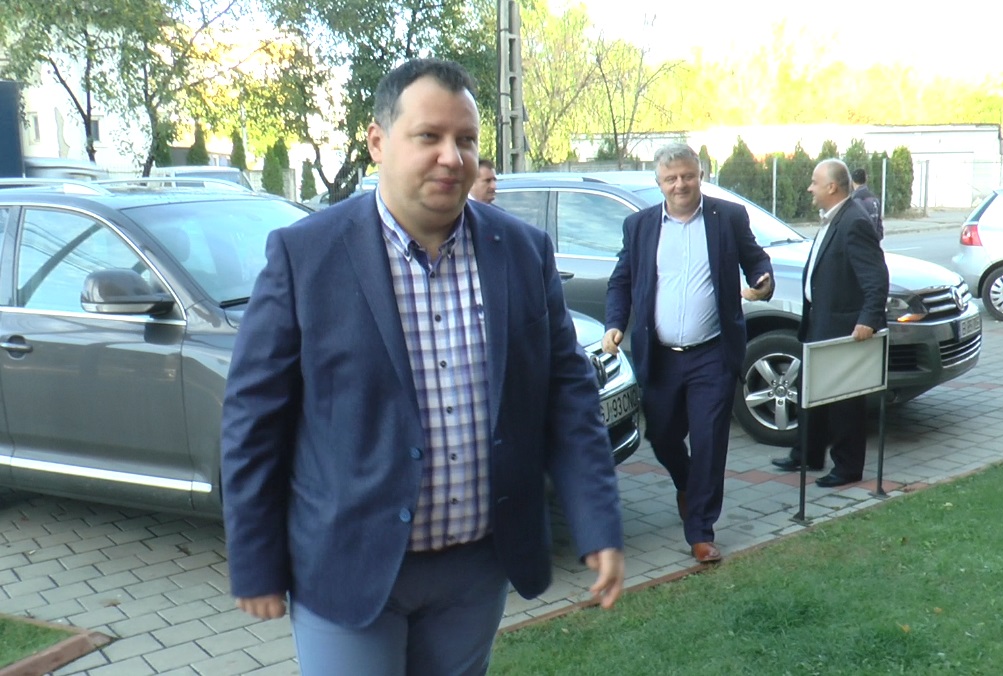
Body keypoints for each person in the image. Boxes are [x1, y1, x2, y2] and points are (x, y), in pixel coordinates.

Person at [220, 58, 625, 675]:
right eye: (429, 136)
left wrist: (597, 524)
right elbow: (253, 418)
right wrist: (255, 561)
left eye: (466, 139)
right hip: (348, 567)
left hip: (476, 569)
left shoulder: (522, 251)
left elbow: (568, 398)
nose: (452, 157)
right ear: (378, 142)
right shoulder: (306, 255)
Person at [603, 143, 773, 564]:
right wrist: (615, 323)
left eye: (687, 175)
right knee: (661, 435)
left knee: (709, 440)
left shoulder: (727, 217)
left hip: (712, 353)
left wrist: (763, 280)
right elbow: (621, 281)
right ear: (658, 183)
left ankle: (700, 531)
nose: (680, 184)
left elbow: (755, 260)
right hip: (661, 357)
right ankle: (686, 482)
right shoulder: (639, 226)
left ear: (700, 175)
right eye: (671, 178)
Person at [771, 159, 889, 488]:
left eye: (814, 182)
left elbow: (876, 277)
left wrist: (868, 319)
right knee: (810, 391)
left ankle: (848, 467)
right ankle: (806, 453)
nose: (809, 188)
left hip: (843, 328)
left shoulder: (854, 221)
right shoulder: (834, 217)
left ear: (832, 187)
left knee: (843, 402)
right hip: (820, 321)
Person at [851, 167, 884, 240]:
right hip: (873, 241)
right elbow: (879, 224)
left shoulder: (853, 201)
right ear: (866, 179)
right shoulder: (875, 199)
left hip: (860, 241)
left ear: (852, 181)